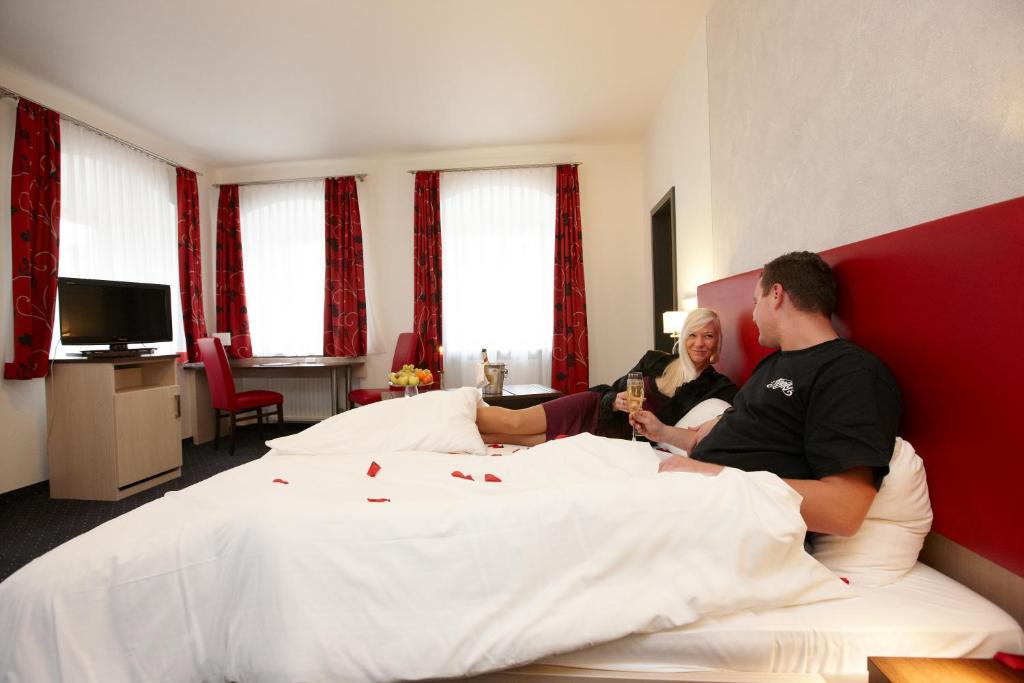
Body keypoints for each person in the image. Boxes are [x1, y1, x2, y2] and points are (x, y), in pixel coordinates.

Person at [630, 251, 902, 537]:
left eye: (755, 302)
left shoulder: (847, 372)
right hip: (694, 494)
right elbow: (712, 440)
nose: (753, 314)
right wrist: (662, 433)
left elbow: (842, 511)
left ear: (776, 295)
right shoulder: (772, 364)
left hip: (732, 517)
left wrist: (709, 475)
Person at [476, 308, 738, 446]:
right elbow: (614, 388)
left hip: (614, 437)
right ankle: (453, 410)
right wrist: (615, 401)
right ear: (683, 338)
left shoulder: (716, 386)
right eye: (693, 334)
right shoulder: (656, 360)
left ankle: (458, 433)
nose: (699, 343)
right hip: (595, 409)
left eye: (708, 336)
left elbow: (736, 417)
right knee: (516, 423)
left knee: (511, 439)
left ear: (717, 342)